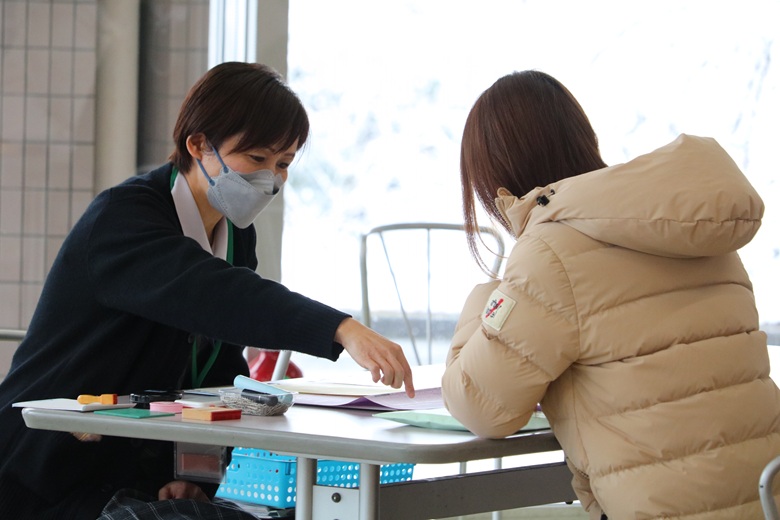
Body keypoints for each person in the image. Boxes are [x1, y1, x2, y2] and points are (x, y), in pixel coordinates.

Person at [0, 62, 414, 520]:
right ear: (197, 144)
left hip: (136, 477)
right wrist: (340, 328)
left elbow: (217, 371)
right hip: (43, 475)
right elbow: (216, 296)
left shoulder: (235, 235)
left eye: (283, 163)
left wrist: (194, 475)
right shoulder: (124, 217)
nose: (271, 179)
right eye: (256, 158)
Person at [441, 70, 780, 519]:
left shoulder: (551, 254)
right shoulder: (693, 231)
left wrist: (488, 297)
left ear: (496, 178)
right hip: (764, 499)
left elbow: (480, 406)